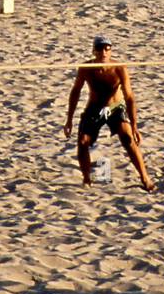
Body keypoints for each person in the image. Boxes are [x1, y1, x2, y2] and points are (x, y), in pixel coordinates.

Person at [64, 36, 156, 192]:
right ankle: (87, 179)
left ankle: (145, 178)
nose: (104, 52)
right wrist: (69, 120)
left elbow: (129, 97)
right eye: (100, 49)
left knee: (128, 138)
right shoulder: (86, 68)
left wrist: (134, 126)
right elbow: (75, 92)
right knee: (83, 141)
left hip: (115, 107)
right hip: (94, 108)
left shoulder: (119, 68)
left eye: (107, 49)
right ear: (94, 51)